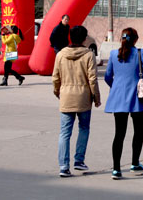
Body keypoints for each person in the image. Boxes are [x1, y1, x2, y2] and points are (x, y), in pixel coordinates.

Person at [104, 28, 143, 180]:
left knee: (119, 133)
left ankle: (116, 169)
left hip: (118, 98)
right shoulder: (140, 53)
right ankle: (135, 163)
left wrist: (116, 87)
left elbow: (108, 76)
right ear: (136, 39)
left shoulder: (113, 54)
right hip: (137, 97)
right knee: (138, 131)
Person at [52, 26, 101, 177]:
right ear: (85, 39)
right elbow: (92, 79)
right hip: (83, 97)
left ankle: (63, 166)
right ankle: (79, 160)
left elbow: (55, 77)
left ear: (70, 37)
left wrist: (58, 92)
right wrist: (96, 97)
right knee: (84, 128)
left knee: (64, 132)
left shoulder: (60, 54)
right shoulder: (89, 55)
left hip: (66, 96)